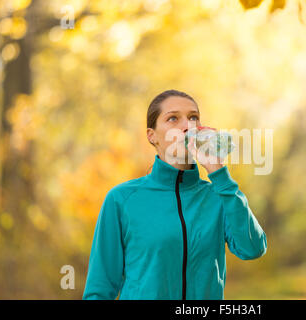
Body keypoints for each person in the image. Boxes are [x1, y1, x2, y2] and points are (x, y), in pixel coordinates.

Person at [82, 89, 267, 300]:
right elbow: (99, 288)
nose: (187, 125)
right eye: (173, 118)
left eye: (193, 118)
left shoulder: (218, 195)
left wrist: (219, 173)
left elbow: (252, 248)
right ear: (152, 136)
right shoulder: (122, 199)